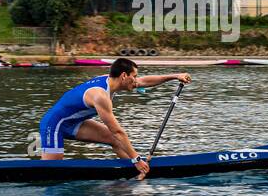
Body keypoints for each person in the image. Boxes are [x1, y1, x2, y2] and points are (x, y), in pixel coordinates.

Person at [38, 58, 191, 178]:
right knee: (52, 172)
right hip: (54, 124)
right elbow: (118, 131)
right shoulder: (100, 96)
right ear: (124, 76)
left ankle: (135, 171)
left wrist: (175, 76)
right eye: (134, 76)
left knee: (114, 140)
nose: (136, 80)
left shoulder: (111, 80)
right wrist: (137, 158)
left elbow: (144, 81)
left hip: (73, 122)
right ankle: (137, 163)